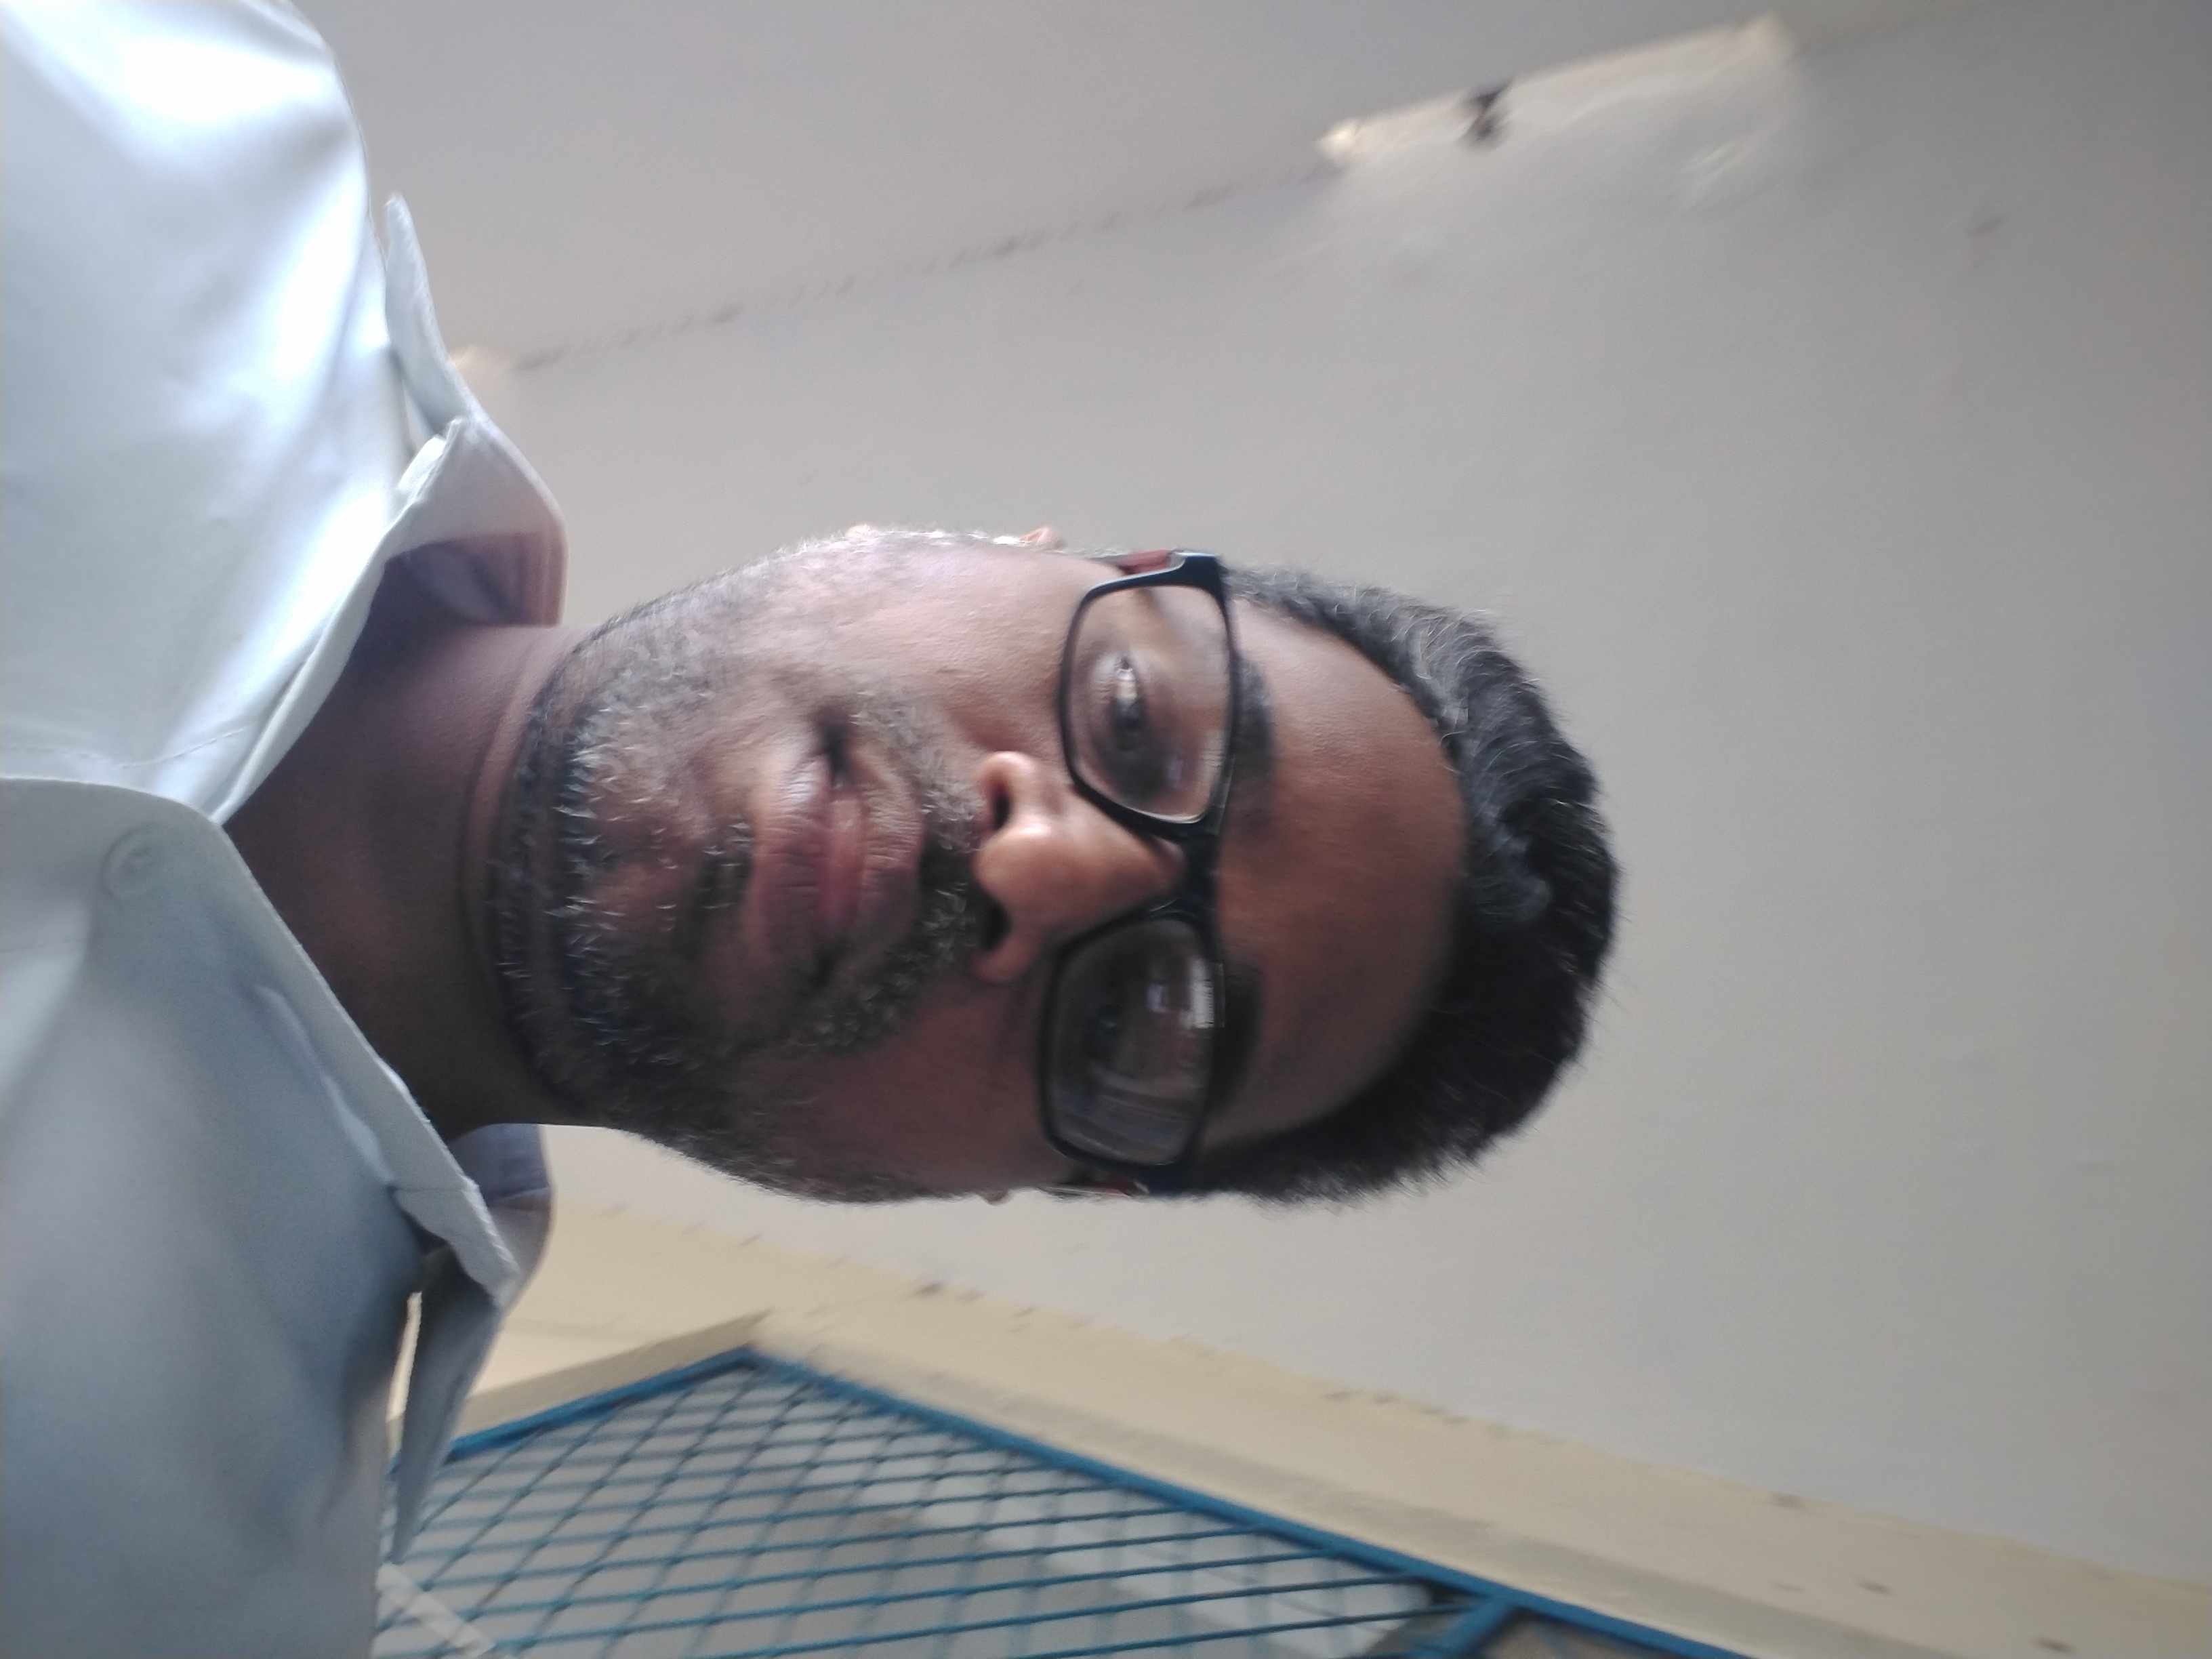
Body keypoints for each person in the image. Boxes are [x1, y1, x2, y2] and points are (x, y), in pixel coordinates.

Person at [0, 3, 1613, 1653]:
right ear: (1020, 549)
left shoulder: (169, 1597)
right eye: (1136, 718)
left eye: (1142, 1021)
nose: (1044, 865)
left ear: (1043, 1184)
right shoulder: (139, 130)